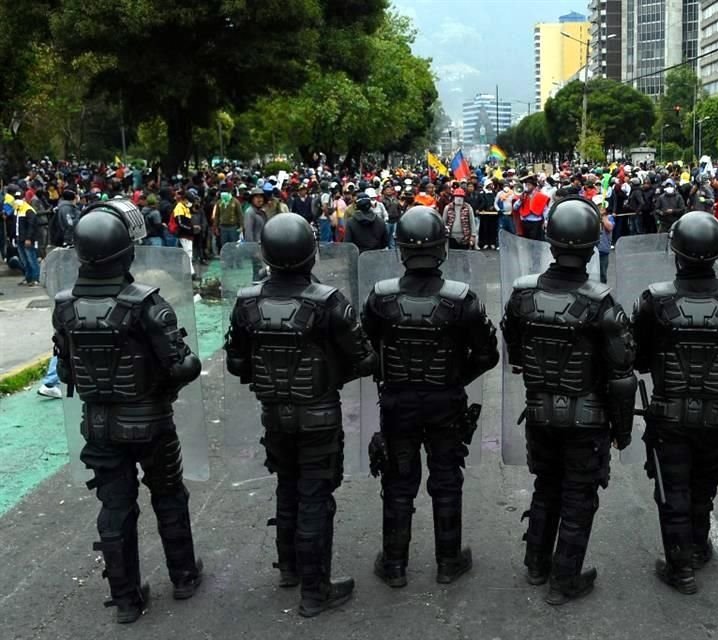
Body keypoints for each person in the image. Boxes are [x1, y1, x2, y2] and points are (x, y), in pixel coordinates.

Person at [52, 201, 204, 623]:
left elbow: (66, 370)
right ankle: (184, 575)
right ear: (124, 251)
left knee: (115, 509)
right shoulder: (145, 305)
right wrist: (166, 378)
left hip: (99, 424)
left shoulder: (65, 306)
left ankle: (126, 600)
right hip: (151, 420)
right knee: (169, 494)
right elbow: (183, 366)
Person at [224, 213, 377, 617]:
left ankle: (290, 568)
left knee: (287, 486)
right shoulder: (329, 303)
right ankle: (315, 590)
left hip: (274, 413)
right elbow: (364, 360)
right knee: (314, 497)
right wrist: (330, 374)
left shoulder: (246, 303)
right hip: (319, 414)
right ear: (311, 253)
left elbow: (237, 364)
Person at [501, 197, 637, 605]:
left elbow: (516, 351)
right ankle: (565, 580)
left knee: (547, 486)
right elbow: (622, 374)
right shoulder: (602, 302)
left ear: (551, 240)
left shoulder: (523, 294)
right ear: (593, 243)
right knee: (579, 497)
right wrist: (623, 430)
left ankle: (537, 563)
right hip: (587, 418)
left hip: (540, 412)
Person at [632, 212, 718, 594]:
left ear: (675, 252)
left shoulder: (654, 299)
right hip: (716, 414)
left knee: (672, 488)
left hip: (668, 413)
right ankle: (696, 546)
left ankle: (681, 567)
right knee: (703, 485)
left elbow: (637, 360)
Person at [361, 206, 499, 588]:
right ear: (442, 248)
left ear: (401, 248)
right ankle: (448, 561)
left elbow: (362, 351)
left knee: (398, 481)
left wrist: (387, 375)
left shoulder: (380, 298)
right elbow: (489, 354)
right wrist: (454, 377)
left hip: (397, 403)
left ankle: (394, 564)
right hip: (444, 402)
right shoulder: (461, 299)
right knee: (446, 478)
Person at [12, 190, 40, 286]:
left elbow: (32, 226)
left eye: (19, 198)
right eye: (16, 198)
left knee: (31, 259)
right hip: (19, 238)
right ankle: (28, 278)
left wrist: (28, 238)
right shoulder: (17, 209)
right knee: (24, 260)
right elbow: (15, 225)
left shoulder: (28, 210)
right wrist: (14, 237)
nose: (17, 200)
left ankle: (36, 278)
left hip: (26, 239)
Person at [515, 175, 551, 240]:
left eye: (529, 185)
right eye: (526, 185)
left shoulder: (540, 195)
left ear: (534, 186)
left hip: (536, 223)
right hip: (525, 223)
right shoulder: (523, 196)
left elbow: (545, 210)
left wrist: (546, 221)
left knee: (535, 241)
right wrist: (520, 200)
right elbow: (515, 207)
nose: (527, 187)